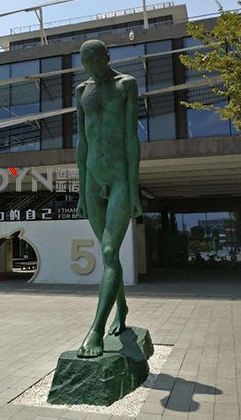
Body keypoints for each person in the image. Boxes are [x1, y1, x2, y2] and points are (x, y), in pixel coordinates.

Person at [75, 39, 143, 358]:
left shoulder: (126, 85)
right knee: (108, 258)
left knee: (108, 250)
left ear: (107, 57)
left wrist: (134, 188)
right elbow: (82, 143)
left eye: (95, 60)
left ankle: (95, 331)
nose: (91, 66)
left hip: (119, 179)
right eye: (85, 62)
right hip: (92, 177)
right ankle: (122, 307)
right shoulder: (81, 91)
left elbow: (131, 138)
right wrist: (80, 190)